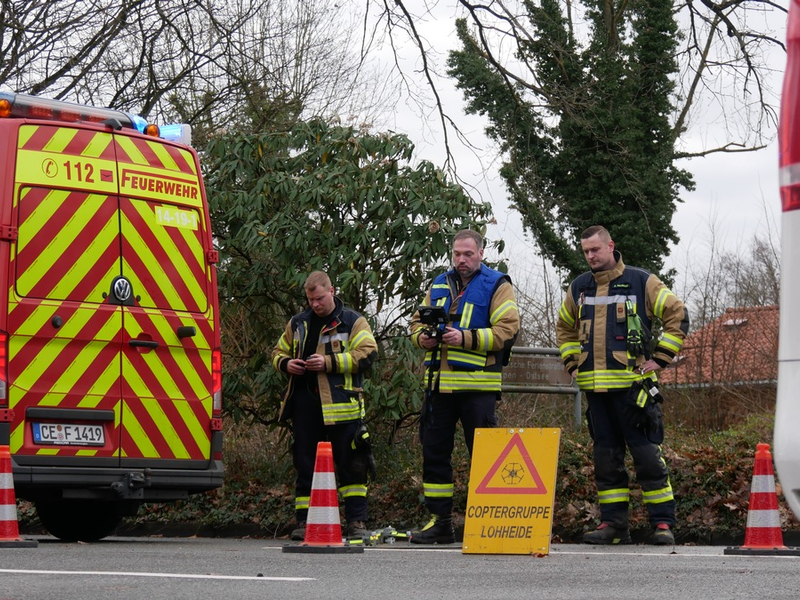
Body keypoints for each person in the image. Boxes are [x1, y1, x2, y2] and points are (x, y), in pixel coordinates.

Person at [556, 225, 690, 545]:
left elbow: (677, 314)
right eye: (585, 251)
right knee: (606, 461)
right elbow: (564, 327)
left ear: (610, 246)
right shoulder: (580, 287)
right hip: (596, 394)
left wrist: (660, 358)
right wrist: (573, 364)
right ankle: (614, 526)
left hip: (634, 392)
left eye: (595, 250)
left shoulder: (641, 281)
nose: (590, 256)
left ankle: (662, 524)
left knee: (647, 458)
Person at [409, 229, 520, 544]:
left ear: (481, 253)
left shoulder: (497, 284)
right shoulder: (440, 283)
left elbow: (507, 330)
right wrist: (424, 338)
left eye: (468, 254)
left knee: (486, 457)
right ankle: (440, 522)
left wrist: (465, 338)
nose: (461, 259)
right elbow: (416, 324)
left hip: (478, 388)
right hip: (439, 386)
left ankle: (494, 522)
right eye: (457, 254)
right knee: (434, 454)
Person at [272, 271, 378, 542]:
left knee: (352, 466)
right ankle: (304, 522)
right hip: (306, 405)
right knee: (305, 464)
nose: (315, 304)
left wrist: (328, 363)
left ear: (332, 290)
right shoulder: (298, 323)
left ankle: (357, 521)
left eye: (319, 298)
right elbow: (277, 352)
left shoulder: (353, 321)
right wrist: (287, 364)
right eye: (310, 300)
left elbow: (367, 354)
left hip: (342, 405)